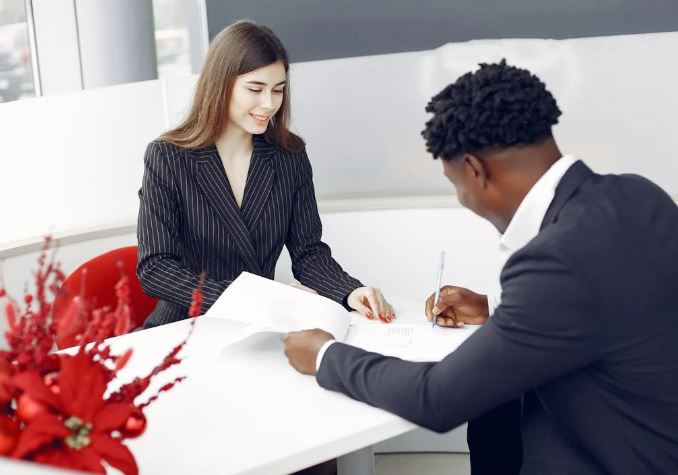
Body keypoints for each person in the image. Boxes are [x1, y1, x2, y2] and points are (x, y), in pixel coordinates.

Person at [282, 60, 678, 474]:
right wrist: (492, 307)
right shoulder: (638, 194)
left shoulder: (555, 260)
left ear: (475, 170)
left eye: (457, 184)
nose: (463, 198)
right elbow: (611, 301)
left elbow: (436, 397)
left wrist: (325, 355)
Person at [136, 20, 395, 328]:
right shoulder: (168, 157)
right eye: (255, 89)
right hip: (185, 329)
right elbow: (156, 269)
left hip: (260, 328)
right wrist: (255, 301)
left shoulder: (289, 156)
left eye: (278, 90)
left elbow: (308, 253)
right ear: (220, 85)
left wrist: (350, 291)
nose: (269, 104)